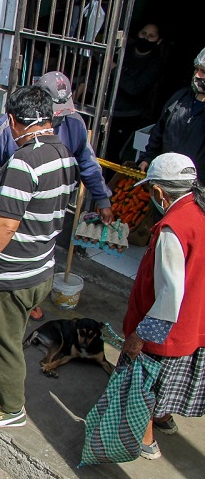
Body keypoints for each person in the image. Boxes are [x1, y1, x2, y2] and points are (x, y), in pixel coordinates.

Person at [0, 86, 79, 431]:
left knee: (4, 342)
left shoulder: (25, 161)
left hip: (13, 273)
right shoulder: (64, 154)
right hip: (40, 267)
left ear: (13, 120)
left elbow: (7, 224)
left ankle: (11, 407)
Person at [0, 71, 113, 321]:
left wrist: (102, 199)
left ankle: (27, 299)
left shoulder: (74, 123)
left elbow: (88, 164)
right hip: (11, 209)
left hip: (47, 211)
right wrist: (1, 198)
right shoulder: (10, 126)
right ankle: (5, 297)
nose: (57, 117)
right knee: (4, 258)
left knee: (38, 257)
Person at [121, 153, 205, 460]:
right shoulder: (200, 211)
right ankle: (164, 418)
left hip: (166, 329)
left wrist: (140, 335)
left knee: (146, 386)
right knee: (167, 383)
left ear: (158, 191)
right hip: (194, 321)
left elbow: (169, 295)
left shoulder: (173, 228)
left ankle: (145, 440)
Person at [138, 47, 205, 182]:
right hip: (165, 176)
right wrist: (147, 158)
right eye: (196, 69)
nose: (197, 75)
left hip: (196, 183)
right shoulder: (180, 98)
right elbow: (159, 130)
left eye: (203, 71)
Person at [105, 23, 164, 163]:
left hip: (127, 116)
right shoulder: (123, 52)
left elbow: (135, 89)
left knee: (112, 154)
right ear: (138, 33)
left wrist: (114, 69)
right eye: (143, 33)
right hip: (106, 109)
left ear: (159, 40)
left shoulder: (154, 63)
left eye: (151, 36)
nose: (145, 38)